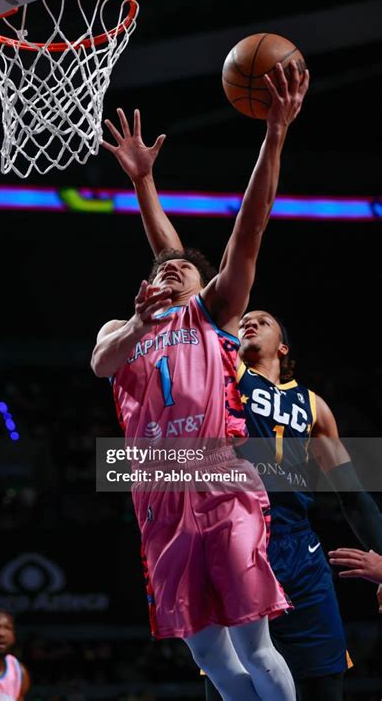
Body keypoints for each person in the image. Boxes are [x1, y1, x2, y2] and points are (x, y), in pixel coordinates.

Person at [101, 94, 382, 700]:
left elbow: (354, 491)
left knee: (307, 674)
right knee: (222, 668)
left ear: (286, 346)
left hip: (284, 536)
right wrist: (146, 185)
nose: (249, 320)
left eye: (263, 318)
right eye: (243, 317)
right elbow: (175, 262)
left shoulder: (305, 400)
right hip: (192, 501)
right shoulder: (198, 342)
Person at [94, 62, 309, 700]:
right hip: (157, 491)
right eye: (162, 269)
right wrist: (143, 182)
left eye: (183, 269)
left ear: (203, 284)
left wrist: (274, 134)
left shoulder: (211, 314)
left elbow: (251, 227)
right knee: (211, 657)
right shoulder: (124, 328)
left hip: (220, 478)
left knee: (254, 644)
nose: (168, 270)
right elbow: (103, 363)